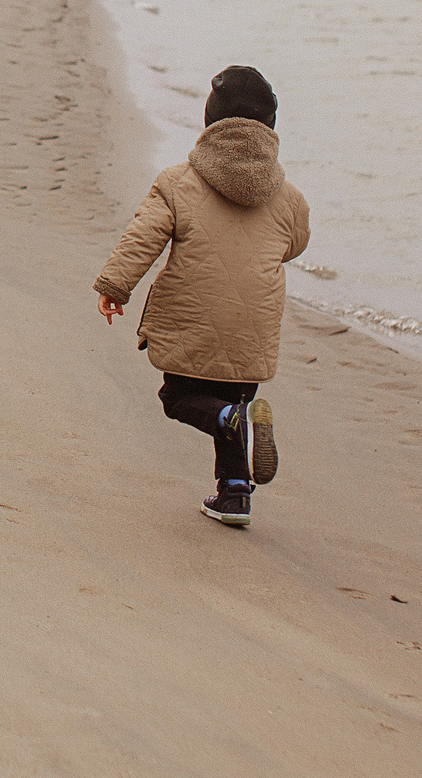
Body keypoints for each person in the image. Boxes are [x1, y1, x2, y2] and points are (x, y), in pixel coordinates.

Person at [92, 65, 309, 528]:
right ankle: (234, 493)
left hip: (193, 315)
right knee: (232, 402)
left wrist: (114, 285)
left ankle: (230, 426)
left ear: (211, 120)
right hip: (252, 325)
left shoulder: (178, 182)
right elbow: (295, 244)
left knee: (180, 397)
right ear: (270, 126)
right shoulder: (288, 197)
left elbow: (143, 237)